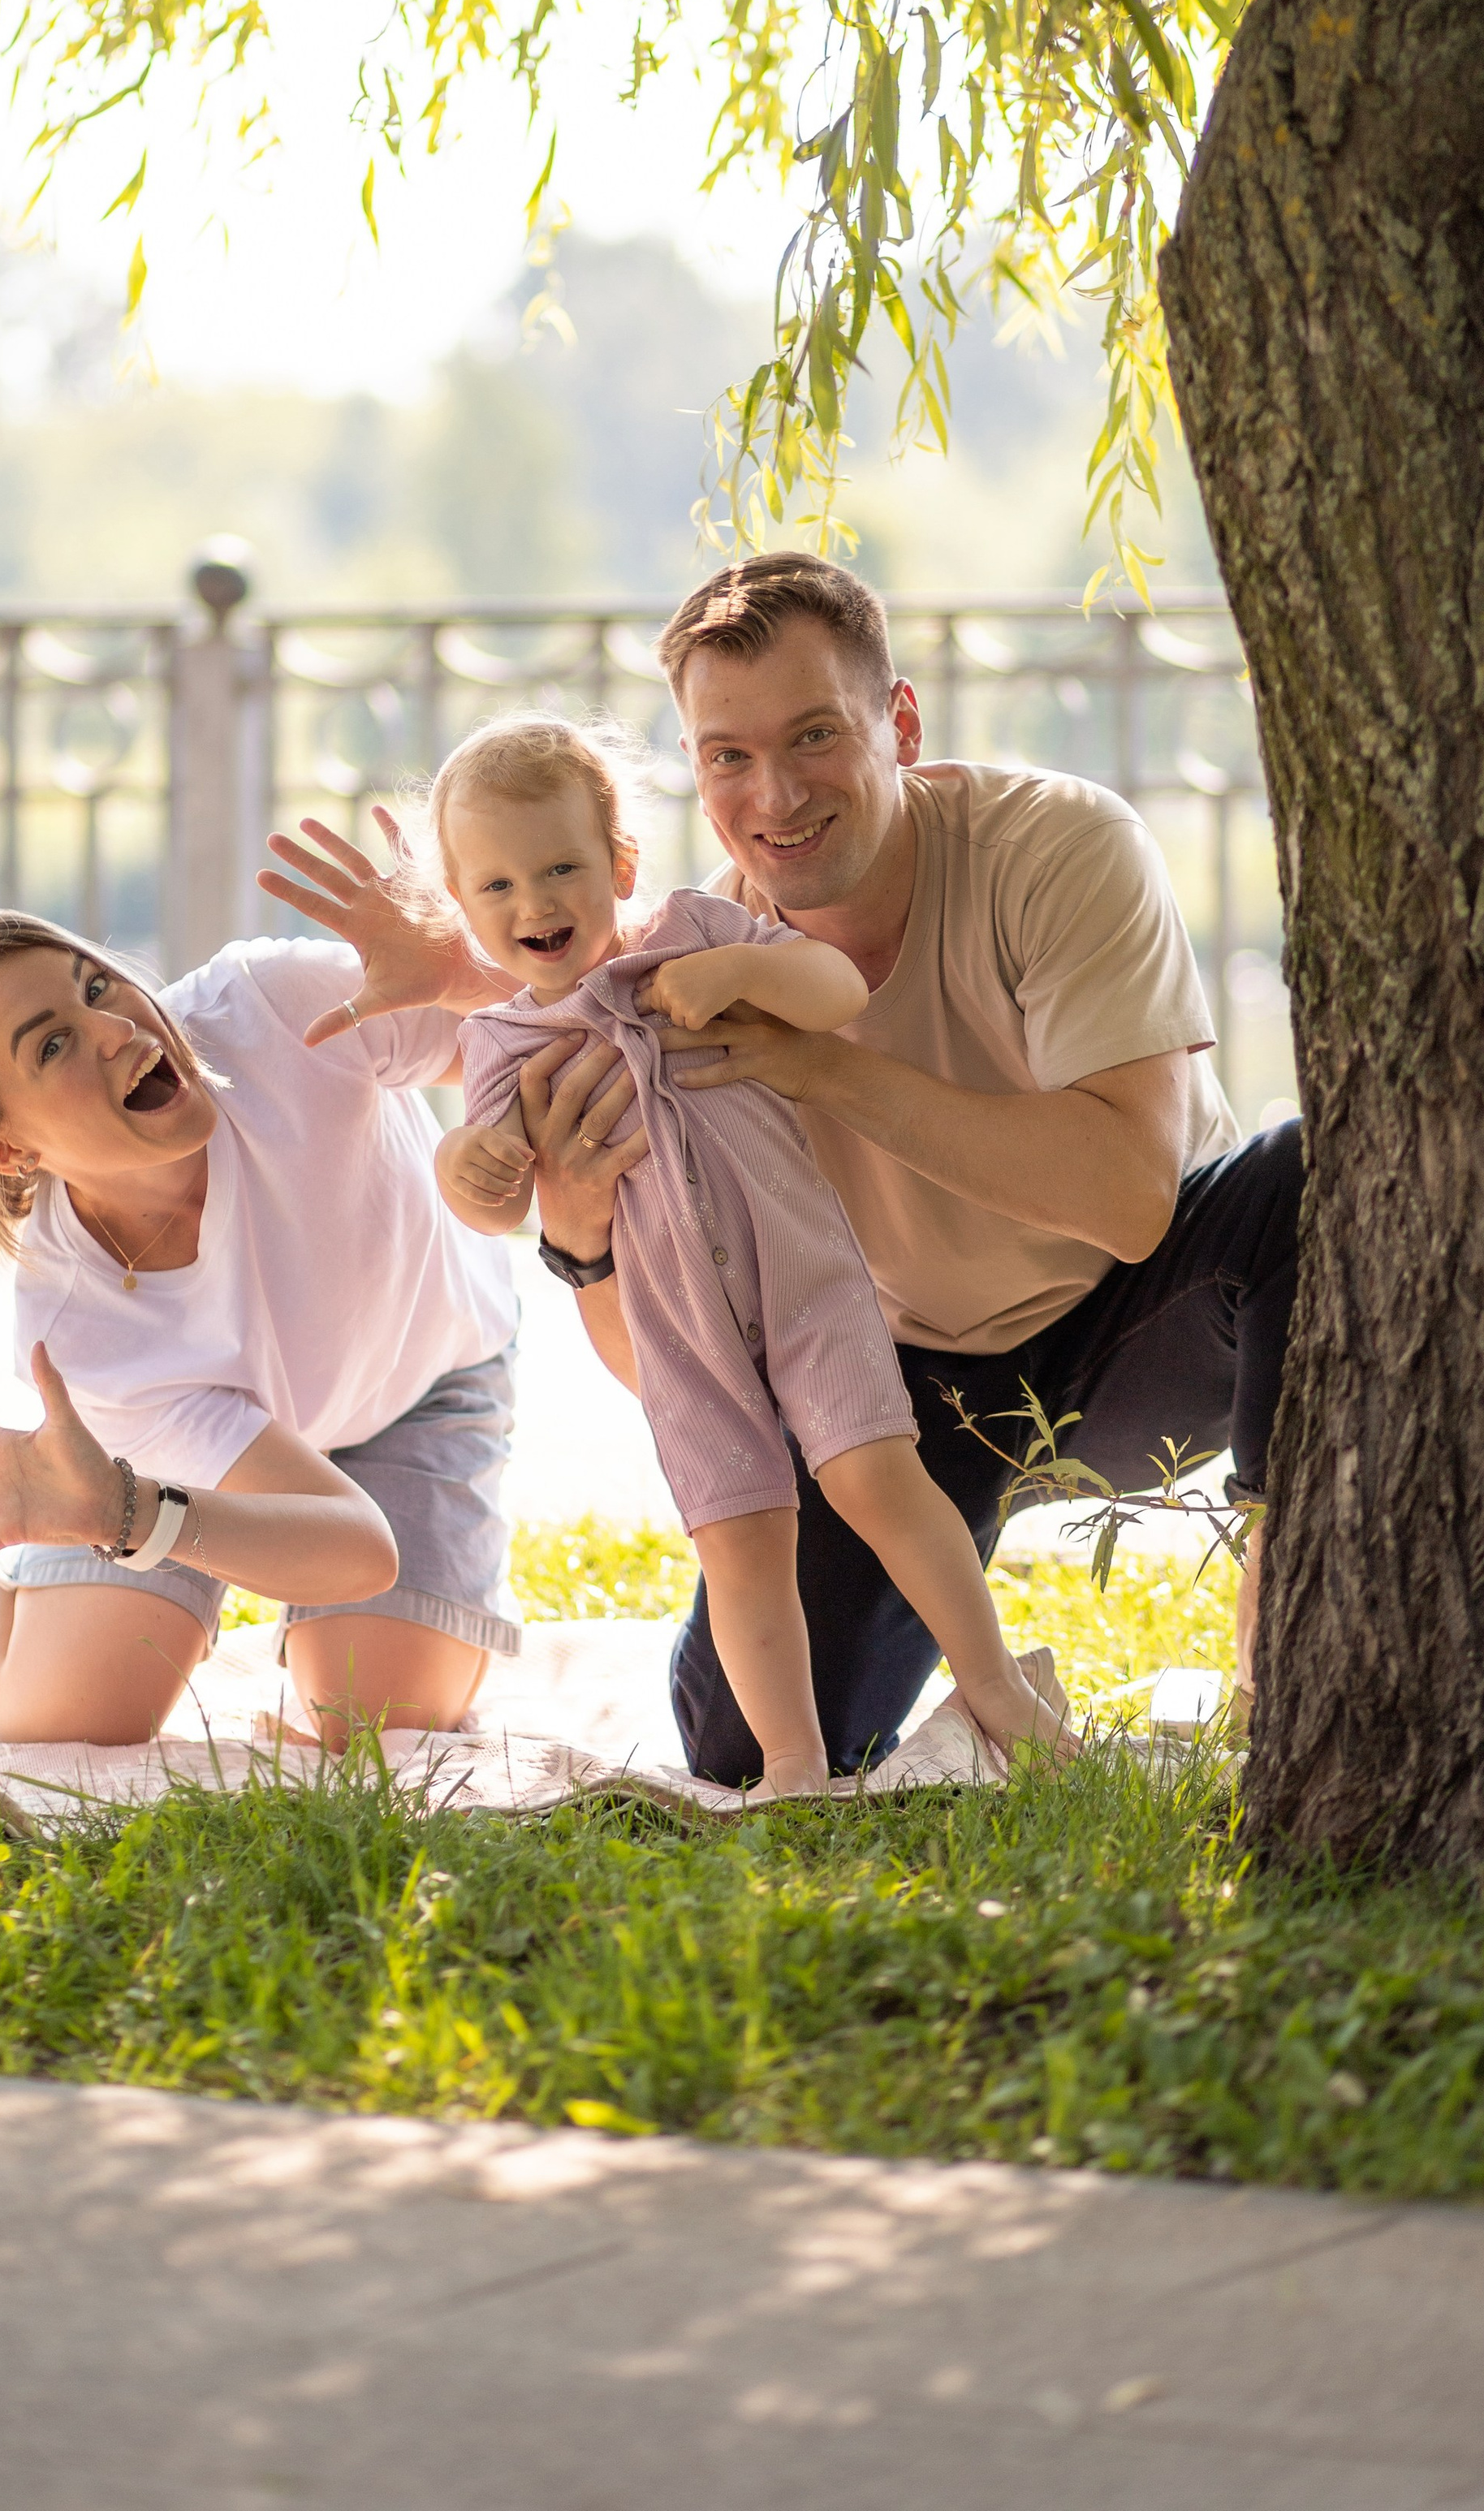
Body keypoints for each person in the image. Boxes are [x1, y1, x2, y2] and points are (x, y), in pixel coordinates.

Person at [267, 554, 1301, 1789]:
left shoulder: (1053, 845)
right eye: (728, 756)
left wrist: (816, 1066)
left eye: (815, 735)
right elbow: (671, 1351)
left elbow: (1134, 1202)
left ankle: (1290, 1646)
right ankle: (954, 1686)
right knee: (743, 1743)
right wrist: (583, 1236)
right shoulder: (668, 975)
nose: (776, 794)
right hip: (899, 1383)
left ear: (899, 724)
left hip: (1151, 1328)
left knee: (1309, 1180)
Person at [0, 897, 615, 1747]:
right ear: (9, 1149)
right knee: (72, 1714)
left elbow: (545, 1034)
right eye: (53, 1045)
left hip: (419, 1380)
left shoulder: (275, 1007)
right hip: (192, 1466)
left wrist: (459, 970)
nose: (118, 1029)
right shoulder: (83, 1335)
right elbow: (351, 1546)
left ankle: (112, 1533)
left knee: (379, 1715)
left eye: (95, 986)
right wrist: (125, 1509)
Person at [425, 715, 1070, 1793]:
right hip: (682, 1336)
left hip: (807, 1281)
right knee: (741, 1539)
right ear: (464, 907)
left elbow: (837, 992)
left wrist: (736, 972)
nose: (533, 904)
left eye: (560, 869)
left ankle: (996, 1682)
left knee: (878, 1475)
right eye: (495, 888)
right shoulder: (504, 1045)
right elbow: (491, 1197)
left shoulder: (695, 930)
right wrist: (473, 1165)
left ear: (620, 864)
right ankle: (790, 1762)